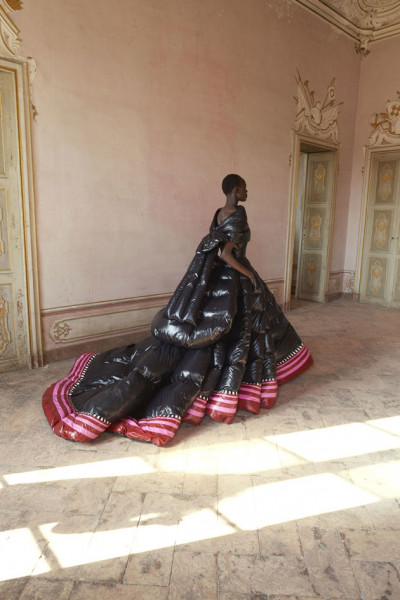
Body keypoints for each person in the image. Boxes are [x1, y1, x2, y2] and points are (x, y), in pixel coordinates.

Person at [42, 175, 313, 446]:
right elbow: (226, 255)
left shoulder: (219, 213)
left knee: (218, 331)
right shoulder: (238, 215)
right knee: (241, 328)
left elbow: (218, 249)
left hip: (215, 278)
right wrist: (250, 276)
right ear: (234, 189)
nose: (246, 191)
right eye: (244, 187)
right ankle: (233, 384)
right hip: (233, 280)